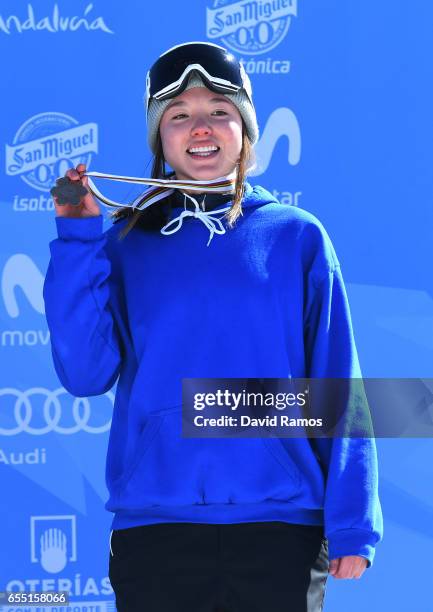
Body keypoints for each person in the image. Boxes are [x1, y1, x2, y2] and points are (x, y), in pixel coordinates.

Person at [43, 41, 383, 612]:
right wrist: (77, 240)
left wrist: (353, 523)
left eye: (219, 112)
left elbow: (337, 384)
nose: (200, 128)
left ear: (245, 129)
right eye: (179, 116)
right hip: (154, 534)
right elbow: (83, 374)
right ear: (160, 138)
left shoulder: (297, 237)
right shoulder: (126, 245)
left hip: (280, 532)